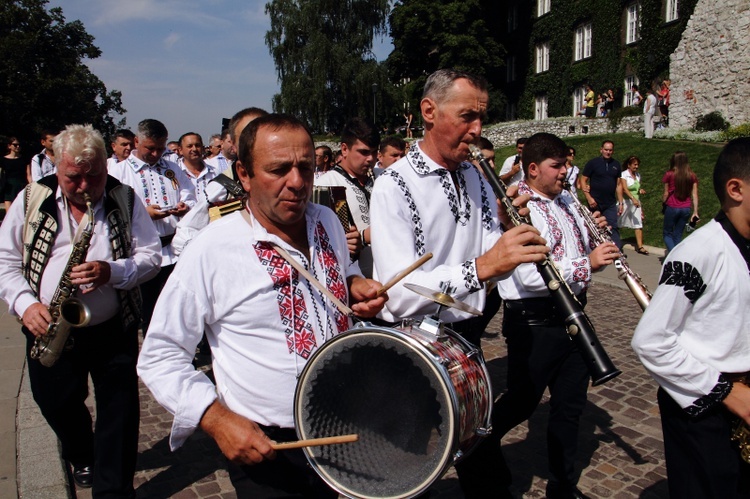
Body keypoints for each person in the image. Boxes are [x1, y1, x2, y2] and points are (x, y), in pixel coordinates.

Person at [137, 114, 387, 498]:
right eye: (278, 169)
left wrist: (354, 285)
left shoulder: (327, 221)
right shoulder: (212, 249)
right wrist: (217, 420)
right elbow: (160, 355)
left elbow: (343, 269)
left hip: (345, 424)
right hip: (269, 450)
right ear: (244, 174)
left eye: (305, 167)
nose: (297, 182)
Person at [0, 124, 161, 496]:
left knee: (119, 414)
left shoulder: (126, 198)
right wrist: (26, 306)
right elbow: (6, 263)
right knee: (54, 401)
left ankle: (114, 489)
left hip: (112, 328)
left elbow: (151, 256)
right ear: (56, 167)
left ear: (106, 166)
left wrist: (113, 271)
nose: (86, 187)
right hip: (49, 325)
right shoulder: (31, 199)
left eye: (95, 176)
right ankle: (80, 450)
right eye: (75, 178)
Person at [455, 133, 618, 499]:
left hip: (573, 314)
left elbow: (583, 259)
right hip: (534, 321)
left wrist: (598, 242)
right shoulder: (520, 208)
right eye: (556, 166)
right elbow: (529, 274)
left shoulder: (568, 202)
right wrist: (585, 264)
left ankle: (563, 485)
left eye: (566, 165)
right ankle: (476, 449)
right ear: (532, 168)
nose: (565, 173)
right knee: (521, 403)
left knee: (570, 408)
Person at [370, 68, 549, 348]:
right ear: (429, 111)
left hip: (466, 329)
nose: (477, 130)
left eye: (481, 118)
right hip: (411, 339)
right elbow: (398, 292)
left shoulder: (476, 176)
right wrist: (480, 268)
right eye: (467, 117)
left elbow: (492, 259)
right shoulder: (393, 183)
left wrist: (507, 232)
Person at [632, 137, 750, 499]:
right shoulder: (698, 252)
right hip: (707, 408)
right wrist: (730, 393)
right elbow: (650, 341)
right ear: (736, 189)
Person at [108, 119, 196, 330]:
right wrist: (142, 213)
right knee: (150, 309)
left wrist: (185, 205)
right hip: (143, 249)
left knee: (178, 305)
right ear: (137, 141)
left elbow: (190, 193)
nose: (156, 154)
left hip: (174, 247)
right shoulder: (119, 172)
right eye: (150, 148)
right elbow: (112, 211)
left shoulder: (172, 168)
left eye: (160, 148)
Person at [172, 107, 269, 256]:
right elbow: (186, 232)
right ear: (235, 145)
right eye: (247, 137)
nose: (255, 142)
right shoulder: (224, 184)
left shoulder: (295, 177)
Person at [315, 117, 378, 274]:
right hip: (353, 281)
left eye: (375, 152)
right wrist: (352, 242)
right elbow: (317, 241)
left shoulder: (386, 178)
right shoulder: (325, 185)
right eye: (363, 152)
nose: (371, 158)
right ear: (344, 149)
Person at [581, 140, 624, 250]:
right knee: (594, 226)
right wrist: (589, 198)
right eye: (606, 150)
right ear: (601, 150)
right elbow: (583, 180)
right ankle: (592, 248)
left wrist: (621, 202)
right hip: (595, 202)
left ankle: (616, 250)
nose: (608, 152)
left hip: (610, 202)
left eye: (610, 150)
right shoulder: (593, 163)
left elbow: (618, 185)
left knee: (612, 226)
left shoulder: (616, 165)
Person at [662, 151, 699, 253]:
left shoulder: (669, 174)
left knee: (667, 234)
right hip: (686, 208)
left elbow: (666, 193)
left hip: (672, 206)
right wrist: (695, 212)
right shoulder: (692, 175)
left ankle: (674, 255)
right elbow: (695, 194)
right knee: (677, 235)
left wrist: (663, 203)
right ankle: (678, 255)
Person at [619, 156, 648, 254]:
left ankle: (640, 247)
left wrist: (640, 190)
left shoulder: (638, 175)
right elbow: (624, 189)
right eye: (634, 164)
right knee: (619, 222)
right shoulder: (624, 175)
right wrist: (632, 198)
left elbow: (636, 187)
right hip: (626, 201)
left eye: (637, 164)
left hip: (636, 202)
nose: (636, 166)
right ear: (629, 165)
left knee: (638, 223)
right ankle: (613, 243)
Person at [177, 132, 217, 202]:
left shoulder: (214, 172)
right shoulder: (175, 173)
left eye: (197, 145)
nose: (194, 149)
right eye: (189, 146)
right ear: (180, 150)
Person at [2, 136, 27, 211]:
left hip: (22, 185)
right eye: (15, 145)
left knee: (21, 211)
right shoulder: (3, 160)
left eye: (19, 145)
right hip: (9, 187)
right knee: (9, 212)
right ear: (9, 146)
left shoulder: (24, 159)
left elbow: (28, 174)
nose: (18, 147)